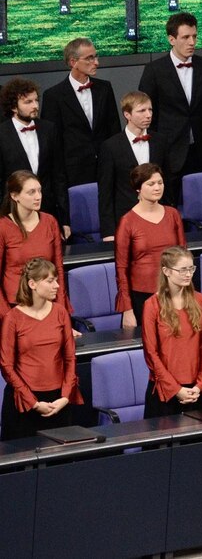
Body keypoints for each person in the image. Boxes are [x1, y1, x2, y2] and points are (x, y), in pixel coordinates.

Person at [138, 12, 202, 202]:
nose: (192, 42)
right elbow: (147, 114)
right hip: (169, 152)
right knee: (171, 208)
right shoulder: (154, 70)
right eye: (185, 37)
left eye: (194, 36)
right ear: (171, 39)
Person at [0, 258, 82, 441]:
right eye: (50, 281)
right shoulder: (12, 318)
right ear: (32, 284)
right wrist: (34, 403)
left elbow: (70, 358)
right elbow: (6, 365)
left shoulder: (60, 312)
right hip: (24, 401)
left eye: (57, 280)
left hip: (58, 401)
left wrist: (66, 397)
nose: (57, 286)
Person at [141, 246, 202, 418]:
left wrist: (199, 385)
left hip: (196, 389)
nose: (188, 274)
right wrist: (176, 389)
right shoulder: (152, 305)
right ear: (166, 271)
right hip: (164, 390)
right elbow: (151, 353)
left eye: (191, 269)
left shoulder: (200, 300)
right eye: (182, 270)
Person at [40, 37, 121, 185]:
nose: (96, 62)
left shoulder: (105, 88)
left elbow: (114, 129)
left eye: (96, 56)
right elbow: (53, 142)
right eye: (89, 58)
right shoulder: (53, 96)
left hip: (106, 168)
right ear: (73, 62)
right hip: (73, 173)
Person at [114, 163, 186, 329]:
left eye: (160, 183)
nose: (157, 188)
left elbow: (183, 256)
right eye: (151, 184)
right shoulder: (127, 222)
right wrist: (127, 309)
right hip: (142, 296)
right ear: (138, 188)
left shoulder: (173, 215)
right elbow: (121, 268)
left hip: (173, 291)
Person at [0, 78, 68, 235]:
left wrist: (65, 220)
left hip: (48, 212)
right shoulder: (2, 134)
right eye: (28, 102)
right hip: (13, 215)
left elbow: (59, 176)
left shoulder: (49, 129)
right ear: (13, 107)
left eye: (36, 100)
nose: (35, 106)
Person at [98, 91, 170, 240]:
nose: (148, 115)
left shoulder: (160, 141)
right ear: (127, 115)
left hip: (158, 216)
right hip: (126, 219)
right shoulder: (111, 146)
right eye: (142, 111)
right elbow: (105, 192)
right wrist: (108, 232)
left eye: (150, 110)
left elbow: (168, 181)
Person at [0, 171, 71, 319]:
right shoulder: (3, 227)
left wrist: (61, 311)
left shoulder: (50, 222)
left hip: (47, 304)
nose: (38, 197)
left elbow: (58, 268)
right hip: (15, 306)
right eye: (31, 192)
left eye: (39, 191)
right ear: (15, 196)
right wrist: (8, 316)